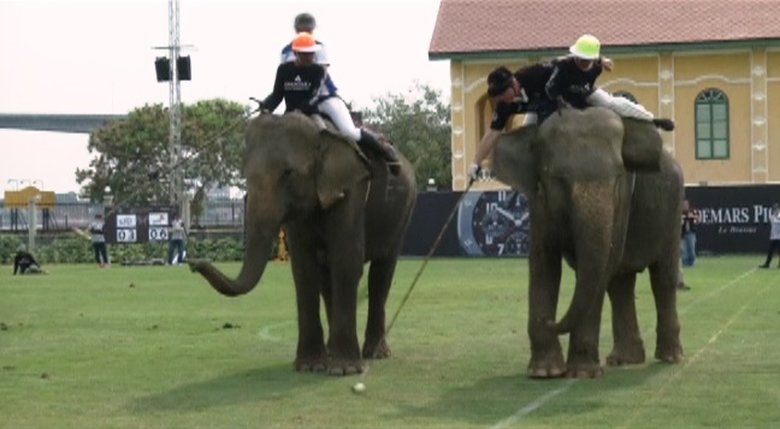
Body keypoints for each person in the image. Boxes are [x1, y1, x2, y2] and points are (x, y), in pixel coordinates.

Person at [263, 32, 400, 173]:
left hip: (325, 101)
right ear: (296, 53)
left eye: (311, 53)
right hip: (296, 110)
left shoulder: (317, 70)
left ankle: (384, 149)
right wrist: (266, 108)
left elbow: (313, 97)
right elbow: (277, 95)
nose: (310, 57)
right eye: (305, 54)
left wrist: (296, 112)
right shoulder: (283, 70)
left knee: (348, 131)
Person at [545, 34, 676, 131]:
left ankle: (651, 119)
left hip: (585, 93)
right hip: (559, 96)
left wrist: (602, 60)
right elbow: (550, 88)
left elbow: (598, 60)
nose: (582, 62)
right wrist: (559, 100)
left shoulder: (596, 67)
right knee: (538, 117)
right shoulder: (562, 67)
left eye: (586, 59)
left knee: (613, 103)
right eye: (580, 58)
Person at [468, 63, 558, 181]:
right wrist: (475, 163)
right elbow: (492, 134)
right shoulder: (505, 104)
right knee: (526, 142)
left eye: (503, 94)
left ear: (513, 83)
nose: (503, 99)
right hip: (539, 113)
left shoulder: (535, 75)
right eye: (499, 97)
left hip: (563, 107)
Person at [759, 203, 780, 268]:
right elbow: (774, 222)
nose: (775, 211)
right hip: (773, 237)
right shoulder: (771, 217)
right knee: (770, 251)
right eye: (774, 209)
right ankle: (767, 264)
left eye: (776, 209)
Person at [680, 199, 700, 267]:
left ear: (688, 205)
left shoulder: (692, 211)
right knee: (684, 249)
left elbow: (697, 219)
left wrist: (692, 216)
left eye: (686, 205)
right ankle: (685, 262)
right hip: (683, 234)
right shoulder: (680, 213)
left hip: (691, 233)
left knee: (691, 248)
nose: (685, 206)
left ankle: (692, 262)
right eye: (684, 205)